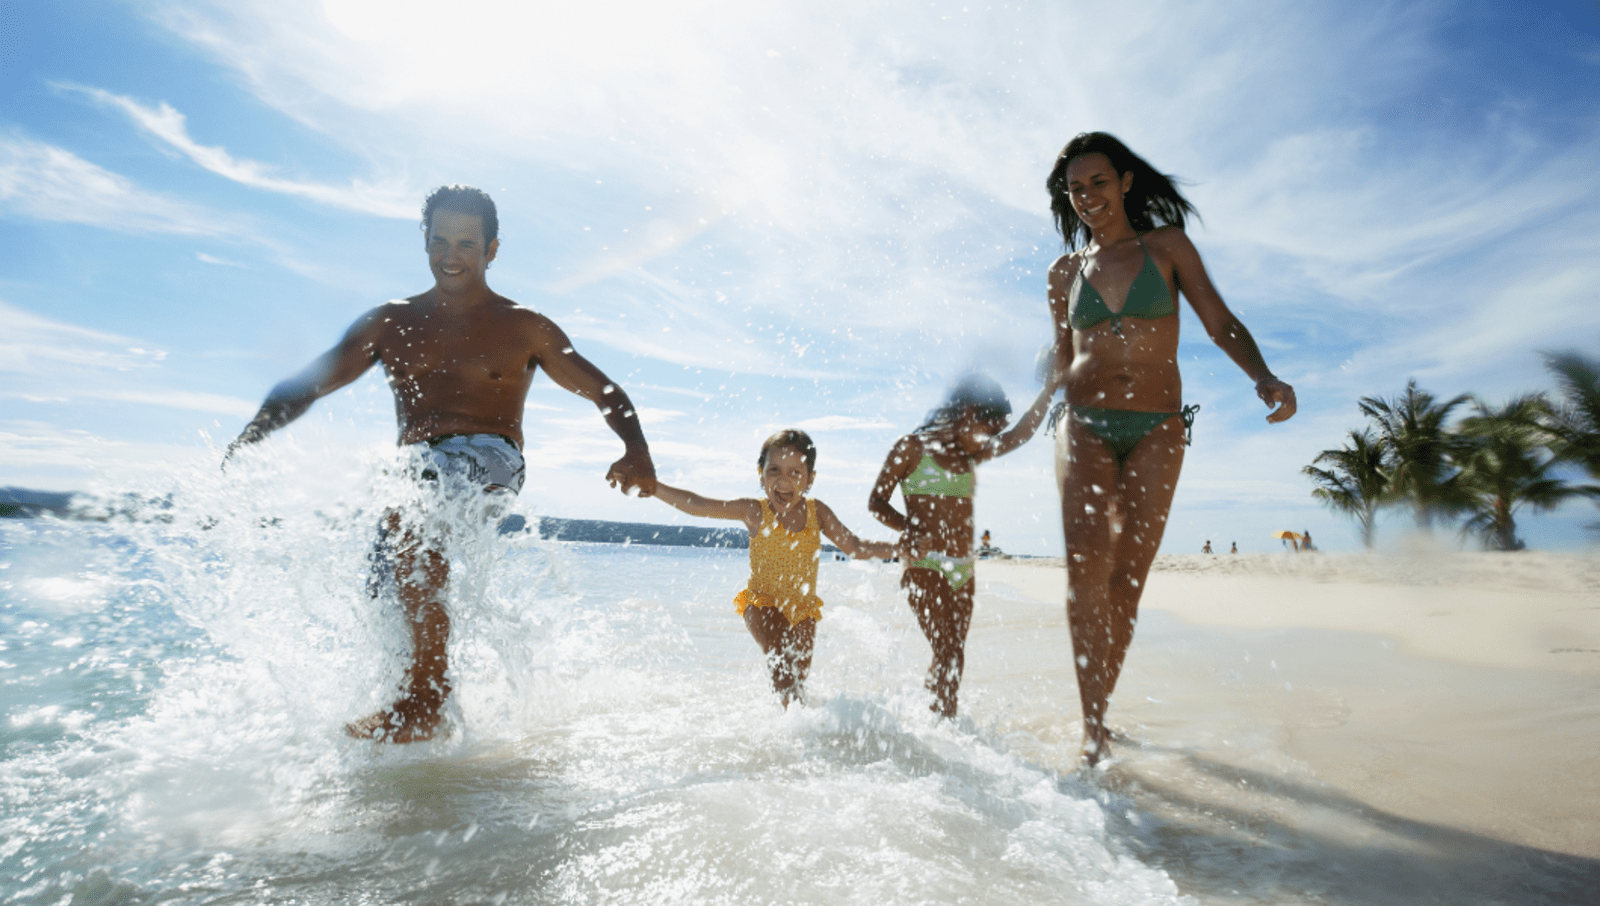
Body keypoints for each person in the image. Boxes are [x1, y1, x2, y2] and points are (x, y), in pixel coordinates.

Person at [225, 185, 656, 743]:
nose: (451, 255)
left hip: (492, 460)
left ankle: (426, 697)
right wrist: (252, 435)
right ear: (424, 242)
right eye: (439, 241)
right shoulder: (390, 323)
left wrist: (636, 451)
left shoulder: (525, 326)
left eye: (466, 244)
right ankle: (421, 710)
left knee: (413, 505)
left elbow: (605, 391)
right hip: (416, 474)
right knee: (388, 579)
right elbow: (311, 382)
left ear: (491, 249)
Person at [1044, 133, 1295, 765]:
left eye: (1099, 182)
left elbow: (1219, 322)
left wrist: (1262, 375)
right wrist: (1028, 416)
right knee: (1085, 571)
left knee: (1126, 581)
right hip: (1084, 423)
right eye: (1076, 189)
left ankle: (1101, 705)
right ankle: (1092, 729)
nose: (1087, 197)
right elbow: (1063, 356)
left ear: (1126, 183)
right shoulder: (1064, 273)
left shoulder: (1167, 248)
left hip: (1157, 426)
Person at [644, 430, 901, 707]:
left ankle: (797, 731)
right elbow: (698, 506)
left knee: (796, 688)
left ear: (810, 479)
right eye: (774, 470)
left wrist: (901, 549)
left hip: (803, 610)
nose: (784, 481)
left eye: (795, 473)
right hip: (762, 603)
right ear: (761, 474)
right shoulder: (755, 511)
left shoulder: (817, 513)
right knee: (782, 665)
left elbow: (855, 547)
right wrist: (654, 487)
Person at [868, 375, 1055, 718]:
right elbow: (876, 502)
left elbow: (1022, 433)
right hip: (923, 564)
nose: (992, 439)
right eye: (989, 429)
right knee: (949, 653)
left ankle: (935, 722)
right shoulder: (911, 448)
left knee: (952, 654)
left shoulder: (972, 454)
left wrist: (1050, 387)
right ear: (968, 413)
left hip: (963, 570)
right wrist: (909, 529)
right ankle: (945, 727)